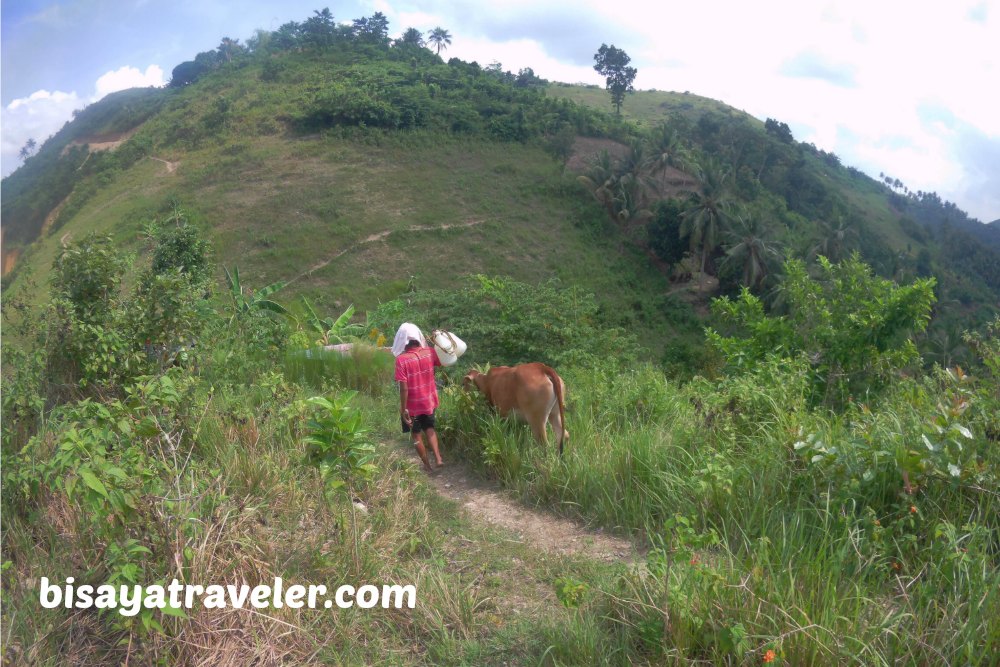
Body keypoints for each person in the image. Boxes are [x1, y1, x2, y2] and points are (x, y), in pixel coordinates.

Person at [394, 335, 444, 472]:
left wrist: (403, 409)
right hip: (428, 401)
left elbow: (404, 388)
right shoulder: (429, 352)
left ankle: (427, 466)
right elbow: (441, 362)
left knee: (416, 435)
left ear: (404, 344)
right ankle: (438, 458)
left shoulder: (401, 360)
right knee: (430, 428)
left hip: (412, 406)